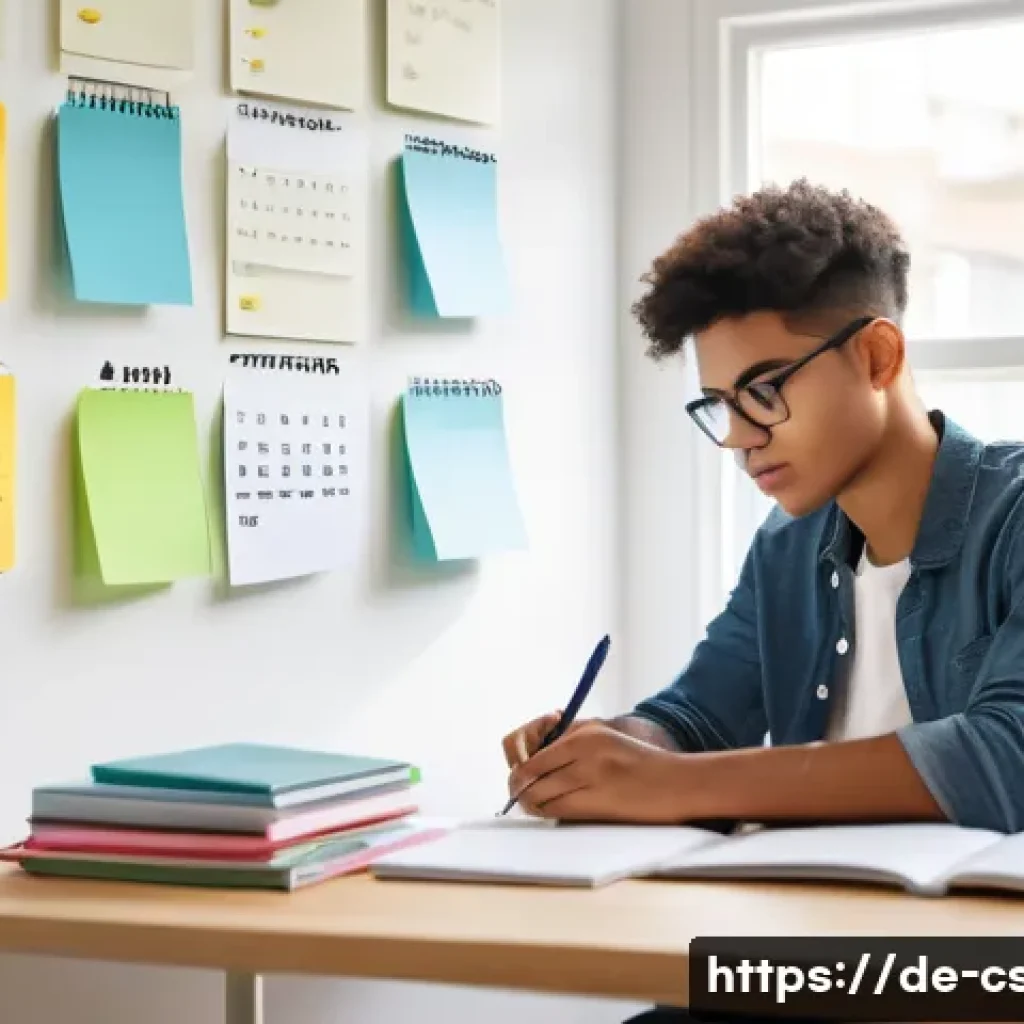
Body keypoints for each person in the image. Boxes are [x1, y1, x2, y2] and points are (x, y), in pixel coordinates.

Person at [501, 179, 1024, 1023]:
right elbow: (701, 717)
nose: (741, 436)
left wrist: (662, 787)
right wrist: (613, 746)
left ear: (877, 357)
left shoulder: (1016, 518)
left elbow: (1007, 759)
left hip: (974, 985)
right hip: (800, 960)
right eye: (719, 405)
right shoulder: (788, 549)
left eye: (765, 390)